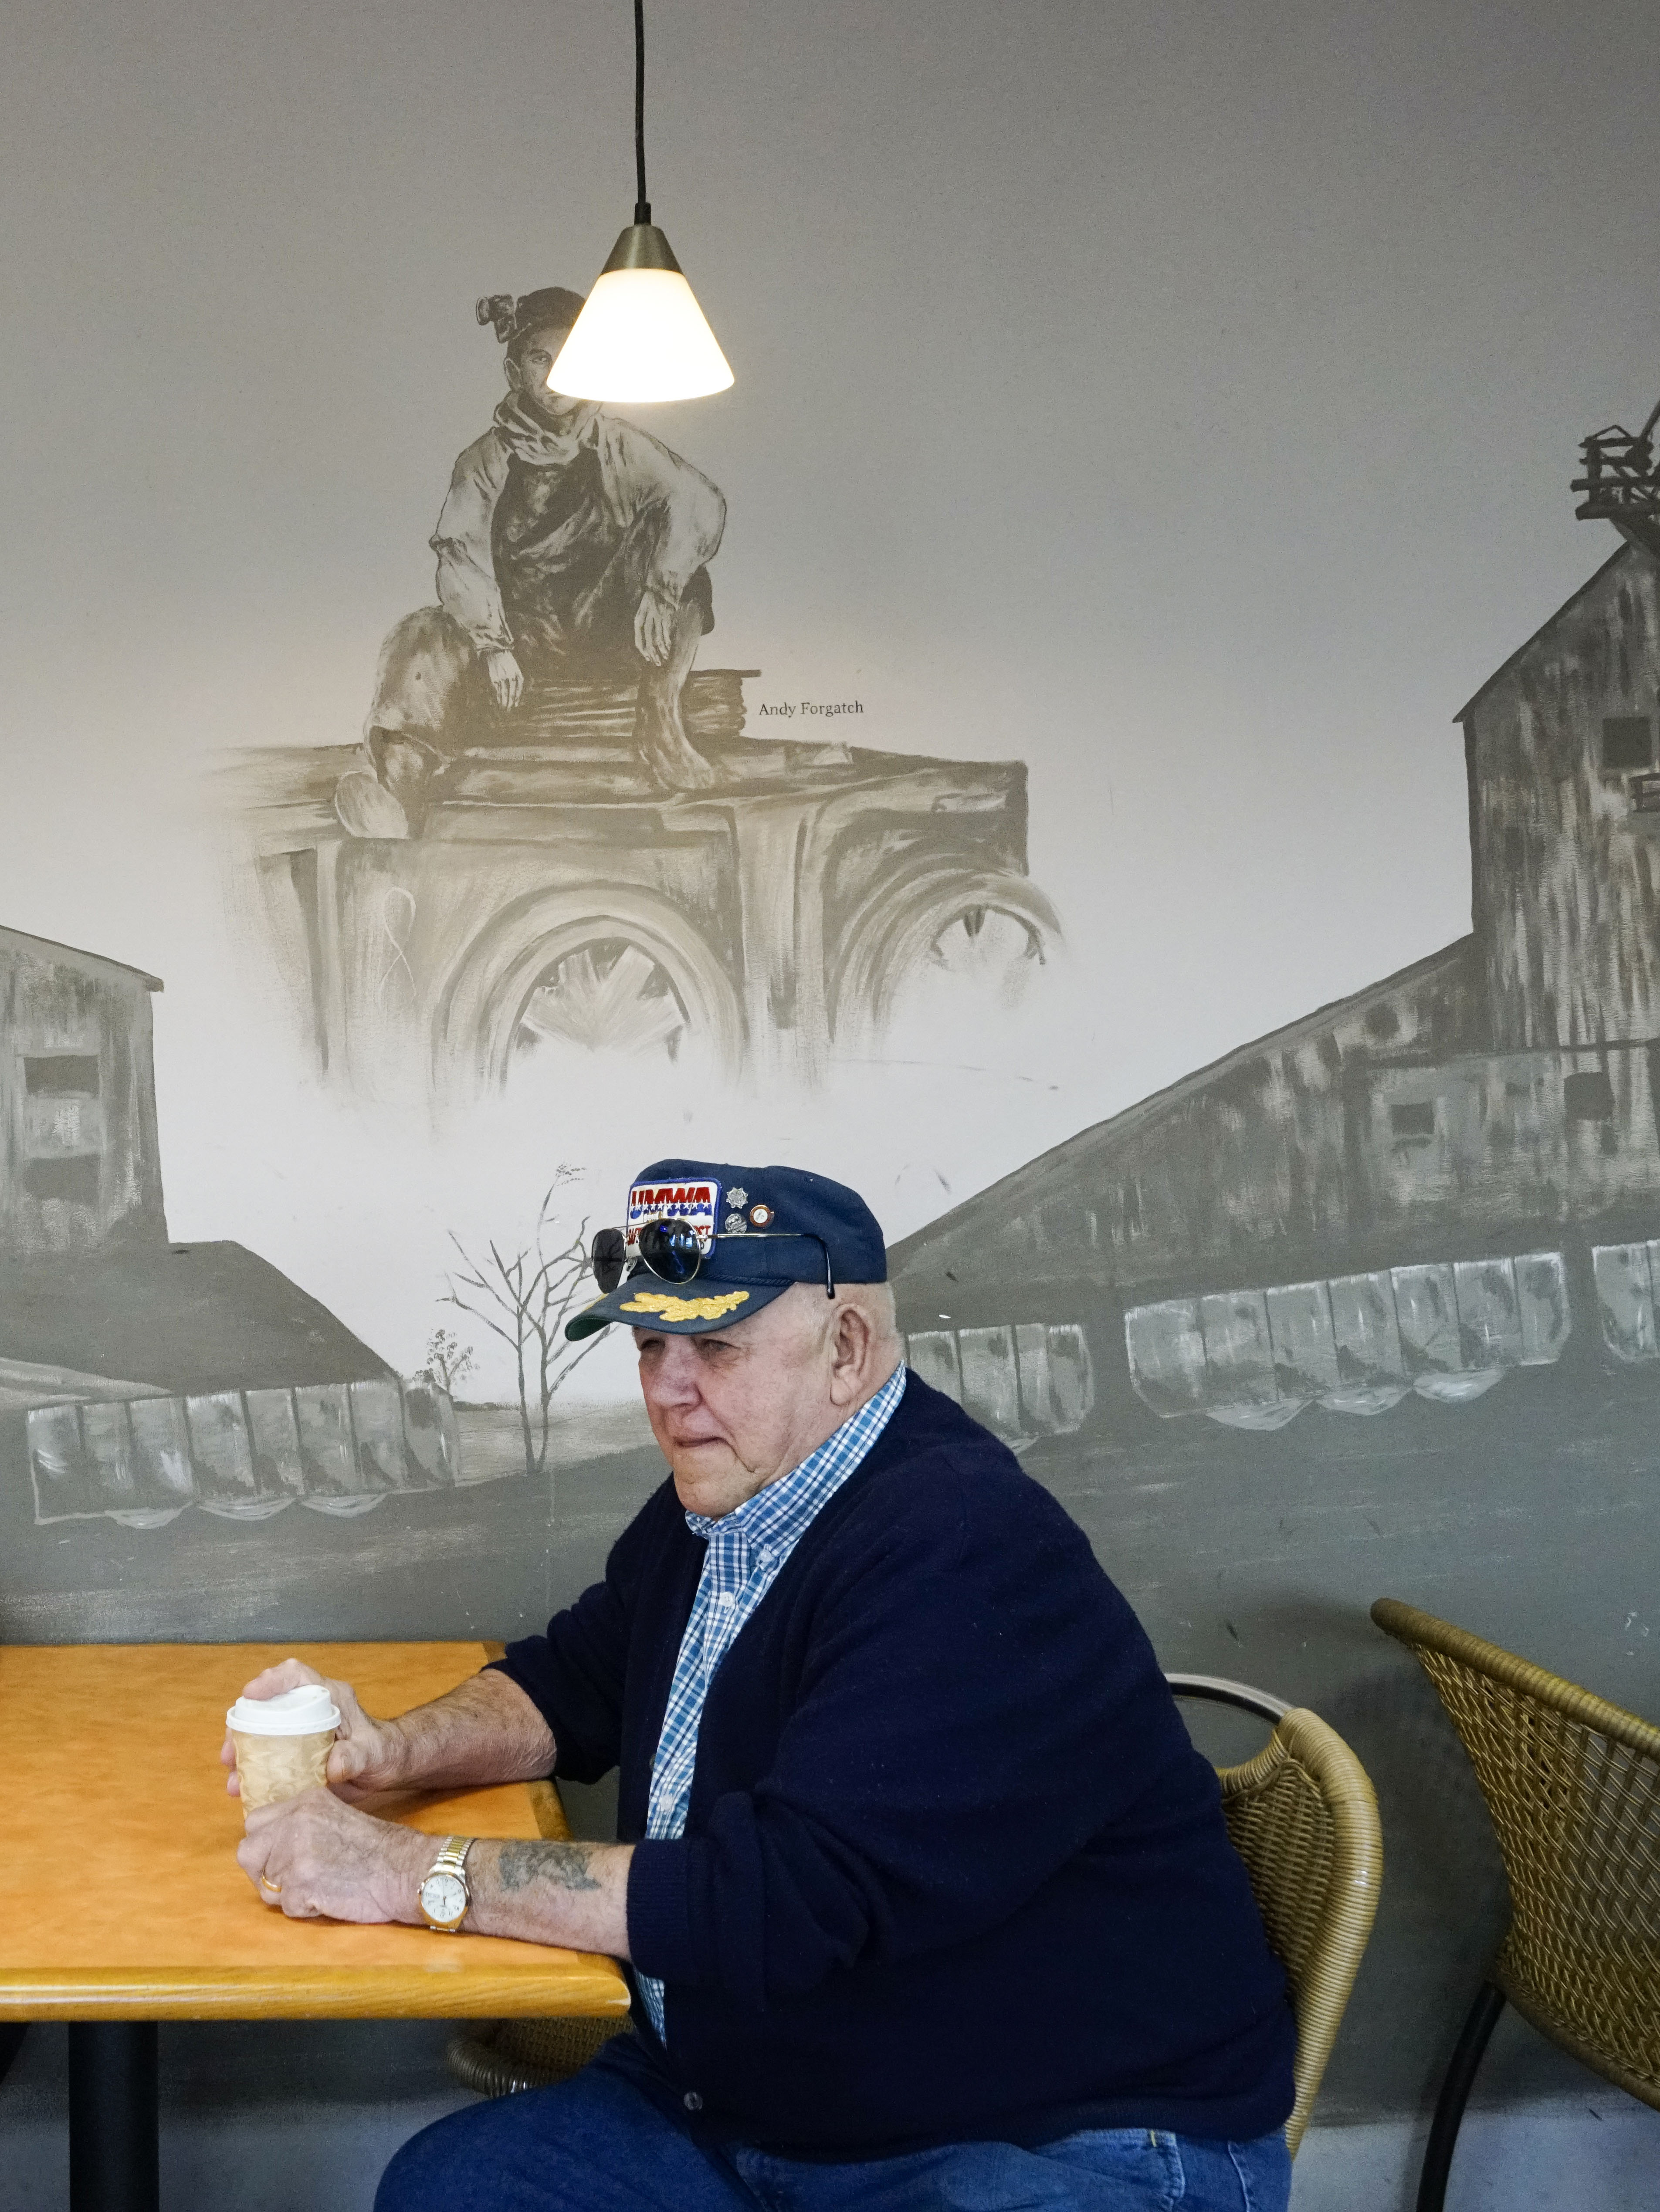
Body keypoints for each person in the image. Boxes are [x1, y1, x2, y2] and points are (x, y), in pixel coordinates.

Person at [225, 1160, 1296, 2212]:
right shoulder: (735, 1486)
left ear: (846, 1347)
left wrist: (411, 1871)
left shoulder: (965, 1545)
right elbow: (576, 1679)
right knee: (450, 2192)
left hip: (1039, 2136)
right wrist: (393, 1750)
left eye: (717, 1346)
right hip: (753, 2097)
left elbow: (777, 1902)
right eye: (650, 1344)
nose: (668, 1389)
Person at [338, 288, 727, 837]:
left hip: (604, 632)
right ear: (513, 370)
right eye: (540, 359)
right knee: (420, 630)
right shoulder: (484, 461)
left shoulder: (618, 445)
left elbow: (699, 501)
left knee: (687, 568)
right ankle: (397, 789)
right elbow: (461, 554)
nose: (555, 375)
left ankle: (661, 725)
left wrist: (661, 591)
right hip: (519, 643)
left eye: (570, 360)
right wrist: (495, 647)